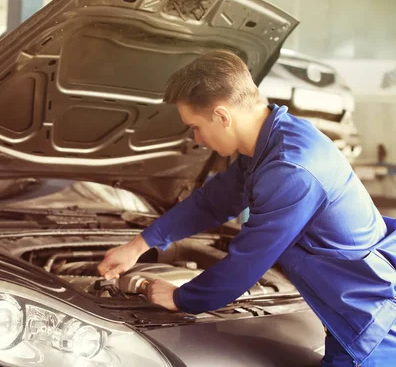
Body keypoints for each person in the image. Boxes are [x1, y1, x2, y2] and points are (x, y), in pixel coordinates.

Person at [97, 50, 396, 366]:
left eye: (195, 126)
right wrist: (138, 245)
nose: (196, 140)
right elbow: (212, 202)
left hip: (369, 325)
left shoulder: (290, 168)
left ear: (223, 116)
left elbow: (246, 262)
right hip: (344, 311)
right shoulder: (270, 143)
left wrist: (180, 297)